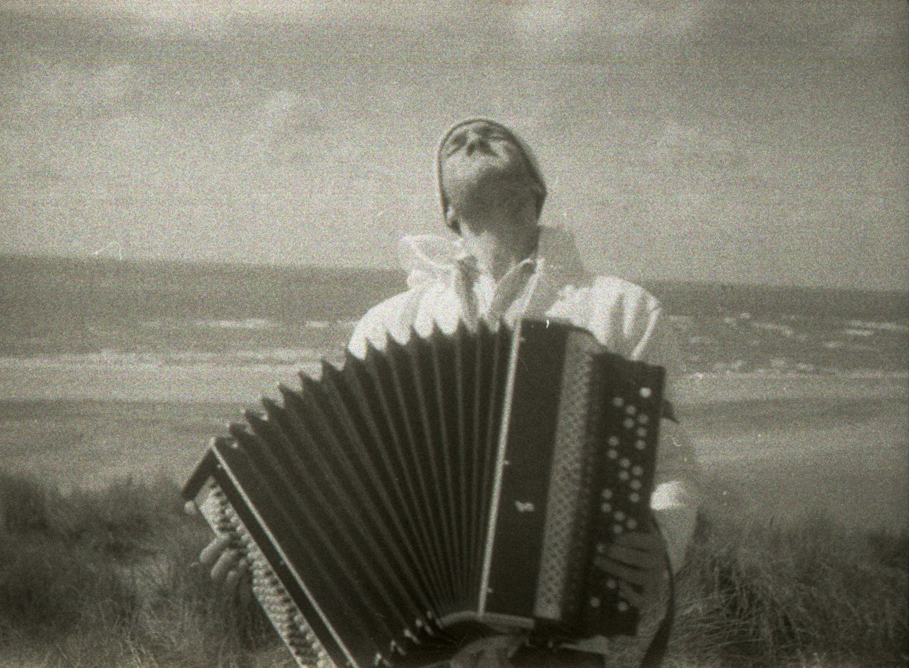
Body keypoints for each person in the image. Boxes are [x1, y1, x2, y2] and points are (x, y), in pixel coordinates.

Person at [202, 118, 700, 667]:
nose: (473, 137)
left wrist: (663, 544)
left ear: (536, 187)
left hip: (558, 648)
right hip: (414, 652)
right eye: (456, 143)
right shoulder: (391, 322)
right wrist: (264, 554)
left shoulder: (621, 309)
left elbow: (669, 462)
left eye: (496, 135)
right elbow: (345, 483)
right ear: (447, 211)